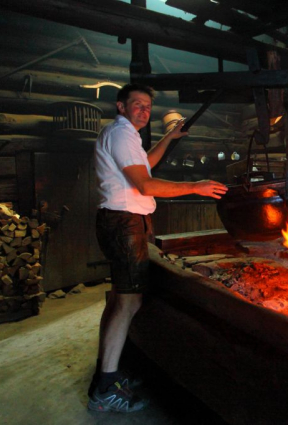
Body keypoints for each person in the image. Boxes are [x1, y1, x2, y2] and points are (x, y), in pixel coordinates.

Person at [87, 83, 228, 412]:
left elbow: (145, 166)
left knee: (124, 300)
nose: (144, 110)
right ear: (121, 107)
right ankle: (105, 388)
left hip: (125, 221)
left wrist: (168, 138)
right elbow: (146, 184)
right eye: (136, 104)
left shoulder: (128, 137)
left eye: (148, 106)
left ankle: (108, 371)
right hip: (124, 223)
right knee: (127, 302)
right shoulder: (121, 135)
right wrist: (196, 186)